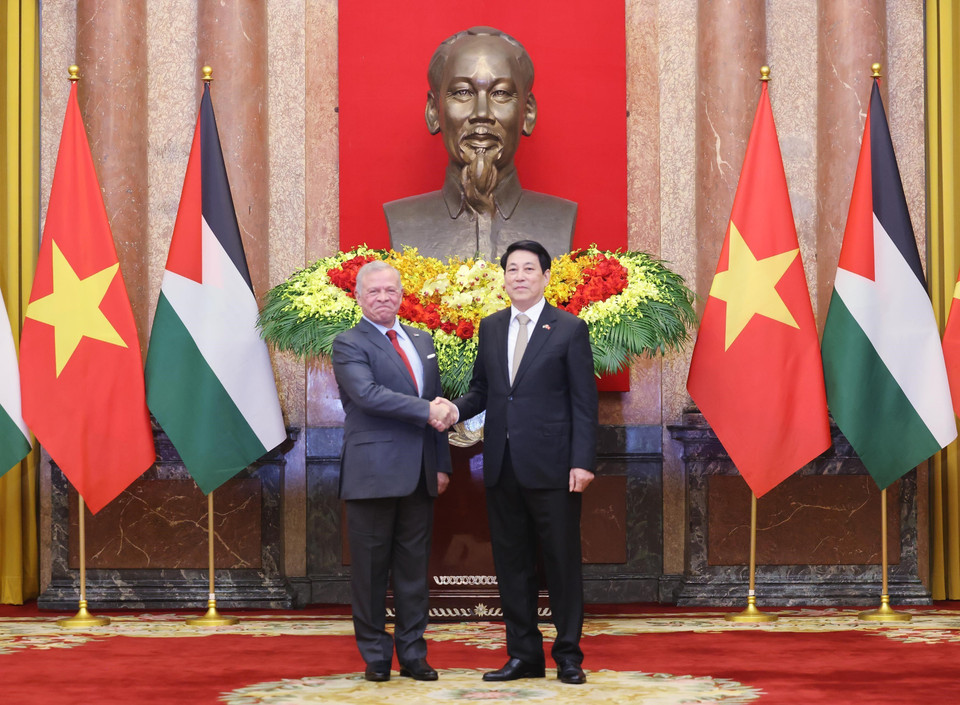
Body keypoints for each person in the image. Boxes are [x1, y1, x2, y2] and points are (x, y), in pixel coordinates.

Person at [437, 240, 598, 685]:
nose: (520, 276)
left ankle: (568, 656)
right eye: (513, 269)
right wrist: (453, 410)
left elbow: (584, 404)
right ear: (503, 278)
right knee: (512, 565)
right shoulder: (490, 327)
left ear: (546, 277)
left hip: (555, 469)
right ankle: (524, 655)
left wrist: (582, 461)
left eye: (530, 268)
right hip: (502, 467)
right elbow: (482, 390)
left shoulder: (568, 329)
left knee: (561, 564)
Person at [331, 260, 457, 682]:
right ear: (359, 297)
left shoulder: (422, 340)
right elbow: (367, 395)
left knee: (413, 571)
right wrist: (427, 410)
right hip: (373, 474)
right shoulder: (349, 343)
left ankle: (414, 653)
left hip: (421, 474)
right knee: (369, 573)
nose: (383, 298)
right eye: (375, 291)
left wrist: (440, 463)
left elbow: (436, 403)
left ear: (402, 295)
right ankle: (376, 657)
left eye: (391, 291)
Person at [385, 26, 576, 261]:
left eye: (501, 93)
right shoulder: (403, 219)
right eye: (463, 92)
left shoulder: (560, 217)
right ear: (434, 111)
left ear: (527, 113)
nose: (482, 113)